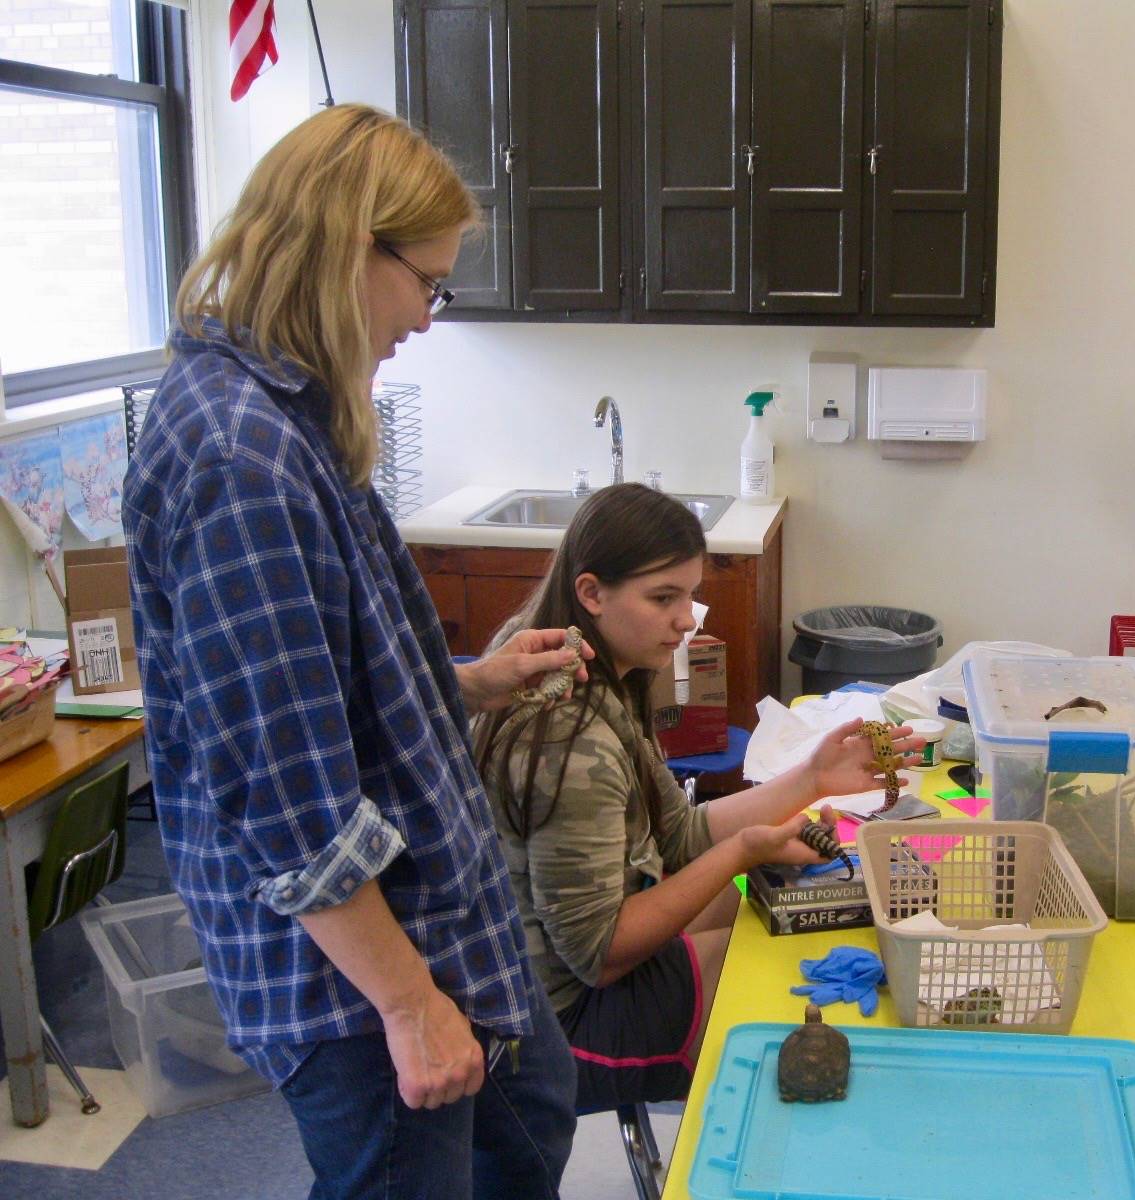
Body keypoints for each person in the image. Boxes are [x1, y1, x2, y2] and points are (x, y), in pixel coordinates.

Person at [122, 105, 589, 1199]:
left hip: (440, 922)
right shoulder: (240, 458)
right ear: (347, 248)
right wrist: (408, 1005)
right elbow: (289, 800)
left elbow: (325, 679)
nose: (427, 318)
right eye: (426, 284)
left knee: (527, 1134)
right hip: (357, 973)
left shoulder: (296, 416)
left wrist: (467, 682)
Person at [471, 482, 917, 1112]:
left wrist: (812, 778)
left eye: (690, 595)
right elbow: (599, 957)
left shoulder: (589, 667)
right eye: (664, 598)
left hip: (567, 974)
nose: (687, 619)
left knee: (762, 914)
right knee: (763, 971)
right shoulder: (571, 738)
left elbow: (676, 834)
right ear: (592, 592)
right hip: (550, 1030)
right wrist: (741, 854)